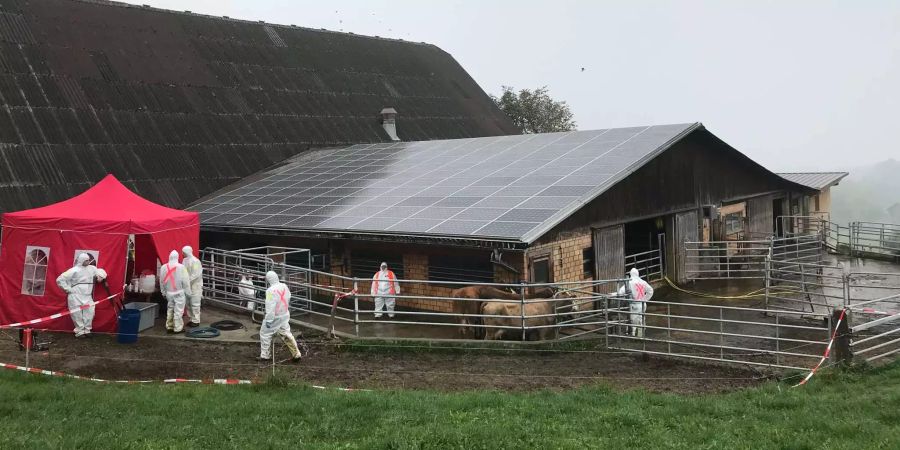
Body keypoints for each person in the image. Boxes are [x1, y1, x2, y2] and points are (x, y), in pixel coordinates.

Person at [56, 253, 108, 338]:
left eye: (88, 260)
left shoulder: (92, 268)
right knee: (77, 314)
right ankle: (80, 331)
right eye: (86, 260)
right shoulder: (73, 270)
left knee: (90, 313)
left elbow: (100, 272)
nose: (88, 261)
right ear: (81, 261)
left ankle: (87, 330)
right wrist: (68, 289)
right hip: (75, 296)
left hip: (87, 296)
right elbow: (60, 279)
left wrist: (101, 276)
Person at [259, 271, 302, 362]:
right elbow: (289, 297)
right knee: (286, 333)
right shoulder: (284, 286)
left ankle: (265, 355)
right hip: (284, 314)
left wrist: (269, 320)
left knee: (265, 334)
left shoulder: (270, 291)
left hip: (275, 317)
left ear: (268, 280)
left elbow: (270, 306)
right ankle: (296, 353)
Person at [158, 250, 192, 334]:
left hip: (169, 293)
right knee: (178, 311)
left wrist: (163, 292)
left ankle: (169, 326)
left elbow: (161, 281)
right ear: (177, 257)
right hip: (179, 292)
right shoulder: (181, 267)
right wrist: (188, 293)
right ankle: (178, 328)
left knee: (170, 309)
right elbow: (186, 281)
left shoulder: (163, 267)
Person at [617, 267, 654, 338]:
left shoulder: (629, 282)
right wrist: (645, 299)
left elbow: (620, 292)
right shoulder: (643, 282)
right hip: (643, 304)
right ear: (638, 274)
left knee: (633, 321)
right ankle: (641, 335)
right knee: (641, 319)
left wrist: (622, 297)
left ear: (631, 274)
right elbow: (650, 291)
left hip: (634, 305)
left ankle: (632, 336)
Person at [181, 245, 203, 327]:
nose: (182, 253)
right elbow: (182, 271)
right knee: (188, 303)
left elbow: (196, 274)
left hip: (195, 286)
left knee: (195, 303)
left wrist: (187, 280)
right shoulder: (184, 260)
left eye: (183, 252)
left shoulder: (196, 261)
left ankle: (196, 320)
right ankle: (191, 319)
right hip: (187, 286)